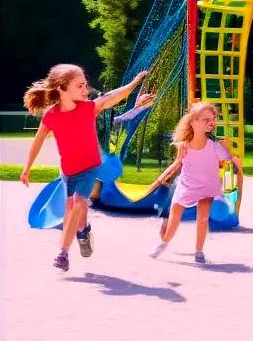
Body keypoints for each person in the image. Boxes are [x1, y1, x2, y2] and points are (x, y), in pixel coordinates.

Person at [20, 63, 153, 272]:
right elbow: (37, 142)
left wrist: (134, 83)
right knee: (71, 211)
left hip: (91, 166)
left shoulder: (89, 108)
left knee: (78, 202)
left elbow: (112, 97)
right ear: (62, 88)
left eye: (85, 85)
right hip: (68, 171)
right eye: (80, 86)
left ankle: (62, 254)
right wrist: (27, 168)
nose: (86, 90)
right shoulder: (51, 116)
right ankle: (83, 231)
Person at [148, 103, 243, 264]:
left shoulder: (215, 146)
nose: (211, 122)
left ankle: (199, 251)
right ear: (193, 122)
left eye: (213, 119)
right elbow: (178, 163)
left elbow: (232, 161)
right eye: (206, 119)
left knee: (203, 216)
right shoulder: (184, 145)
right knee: (175, 212)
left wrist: (233, 158)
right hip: (187, 185)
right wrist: (159, 181)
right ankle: (164, 243)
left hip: (208, 186)